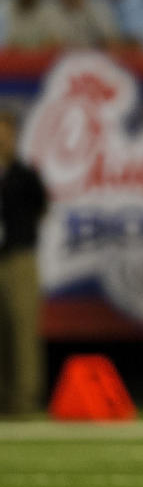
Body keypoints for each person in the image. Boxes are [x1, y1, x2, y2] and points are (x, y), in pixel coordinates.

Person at [0, 107, 48, 417]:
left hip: (17, 257)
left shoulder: (24, 175)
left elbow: (40, 209)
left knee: (21, 330)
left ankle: (24, 400)